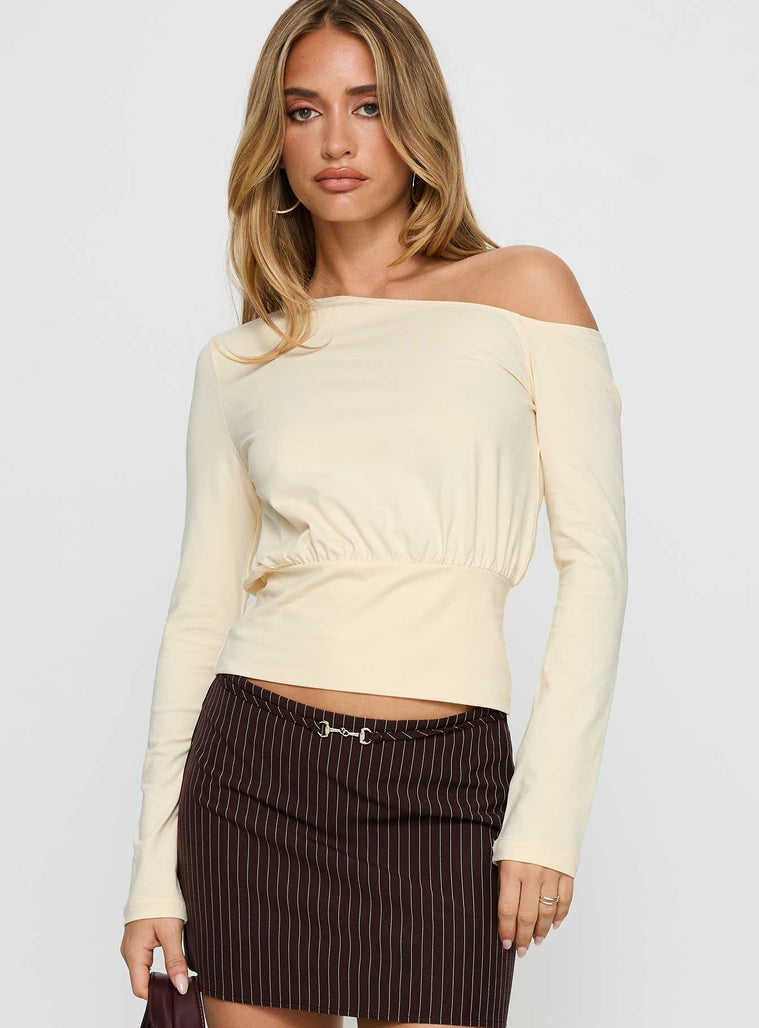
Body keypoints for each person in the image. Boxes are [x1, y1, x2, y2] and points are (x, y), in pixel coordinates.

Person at [120, 3, 628, 1027]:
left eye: (369, 106)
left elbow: (596, 568)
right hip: (253, 778)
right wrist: (151, 872)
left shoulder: (524, 294)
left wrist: (548, 818)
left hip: (444, 786)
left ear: (417, 121)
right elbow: (199, 612)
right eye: (304, 110)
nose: (337, 142)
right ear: (275, 137)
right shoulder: (240, 360)